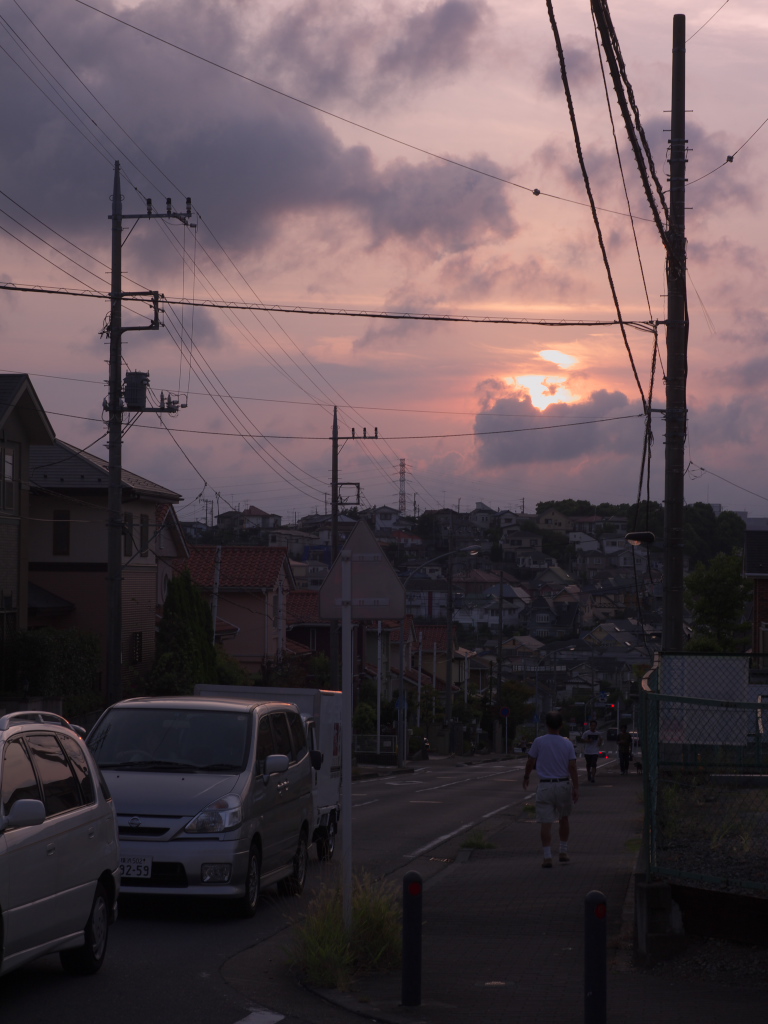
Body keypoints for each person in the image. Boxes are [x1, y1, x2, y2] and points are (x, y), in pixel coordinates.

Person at [523, 712, 579, 867]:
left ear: (546, 725)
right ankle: (563, 851)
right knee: (564, 818)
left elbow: (530, 761)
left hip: (545, 785)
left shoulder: (539, 741)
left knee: (545, 822)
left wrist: (526, 776)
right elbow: (573, 766)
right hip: (563, 784)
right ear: (561, 725)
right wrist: (576, 787)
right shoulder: (567, 743)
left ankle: (547, 856)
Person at [581, 719, 602, 783]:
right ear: (590, 726)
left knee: (594, 764)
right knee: (588, 764)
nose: (593, 727)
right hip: (588, 751)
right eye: (592, 725)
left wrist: (600, 742)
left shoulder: (598, 733)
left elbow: (600, 742)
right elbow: (582, 740)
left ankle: (593, 777)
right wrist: (588, 740)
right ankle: (588, 773)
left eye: (594, 725)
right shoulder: (586, 733)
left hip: (595, 751)